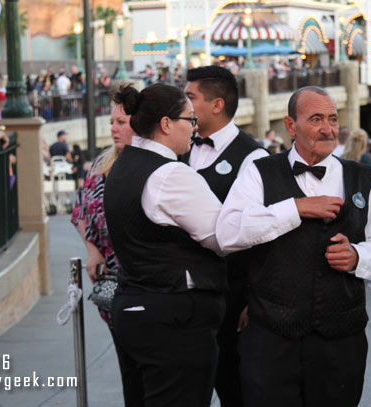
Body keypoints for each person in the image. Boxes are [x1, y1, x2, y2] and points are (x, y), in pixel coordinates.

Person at [216, 86, 371, 407]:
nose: (327, 128)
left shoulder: (362, 179)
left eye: (332, 118)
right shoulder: (259, 172)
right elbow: (228, 233)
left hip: (341, 341)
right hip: (271, 340)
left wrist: (357, 256)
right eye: (316, 119)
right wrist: (295, 208)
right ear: (290, 125)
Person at [104, 83, 227, 407]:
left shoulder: (123, 164)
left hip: (135, 308)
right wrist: (290, 212)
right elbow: (223, 237)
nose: (194, 128)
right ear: (167, 124)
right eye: (190, 119)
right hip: (172, 317)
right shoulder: (170, 173)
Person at [181, 65, 267, 407]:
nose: (184, 107)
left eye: (190, 98)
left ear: (217, 104)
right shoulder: (179, 148)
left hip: (231, 298)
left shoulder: (254, 157)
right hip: (185, 298)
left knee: (236, 389)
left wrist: (252, 299)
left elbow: (260, 232)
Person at [70, 85, 140, 405]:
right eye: (111, 121)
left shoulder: (157, 165)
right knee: (129, 368)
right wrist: (92, 249)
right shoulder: (101, 165)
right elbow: (81, 212)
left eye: (121, 122)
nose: (113, 128)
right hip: (112, 285)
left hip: (149, 285)